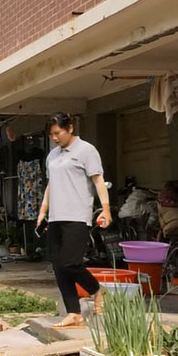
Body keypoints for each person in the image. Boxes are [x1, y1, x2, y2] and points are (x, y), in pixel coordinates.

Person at [36, 112, 111, 330]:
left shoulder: (86, 150)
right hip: (56, 216)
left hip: (77, 215)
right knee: (59, 266)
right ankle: (74, 313)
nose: (55, 138)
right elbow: (51, 184)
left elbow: (98, 181)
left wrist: (105, 209)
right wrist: (43, 210)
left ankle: (97, 290)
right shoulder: (52, 156)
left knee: (71, 262)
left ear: (70, 128)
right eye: (51, 135)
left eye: (58, 133)